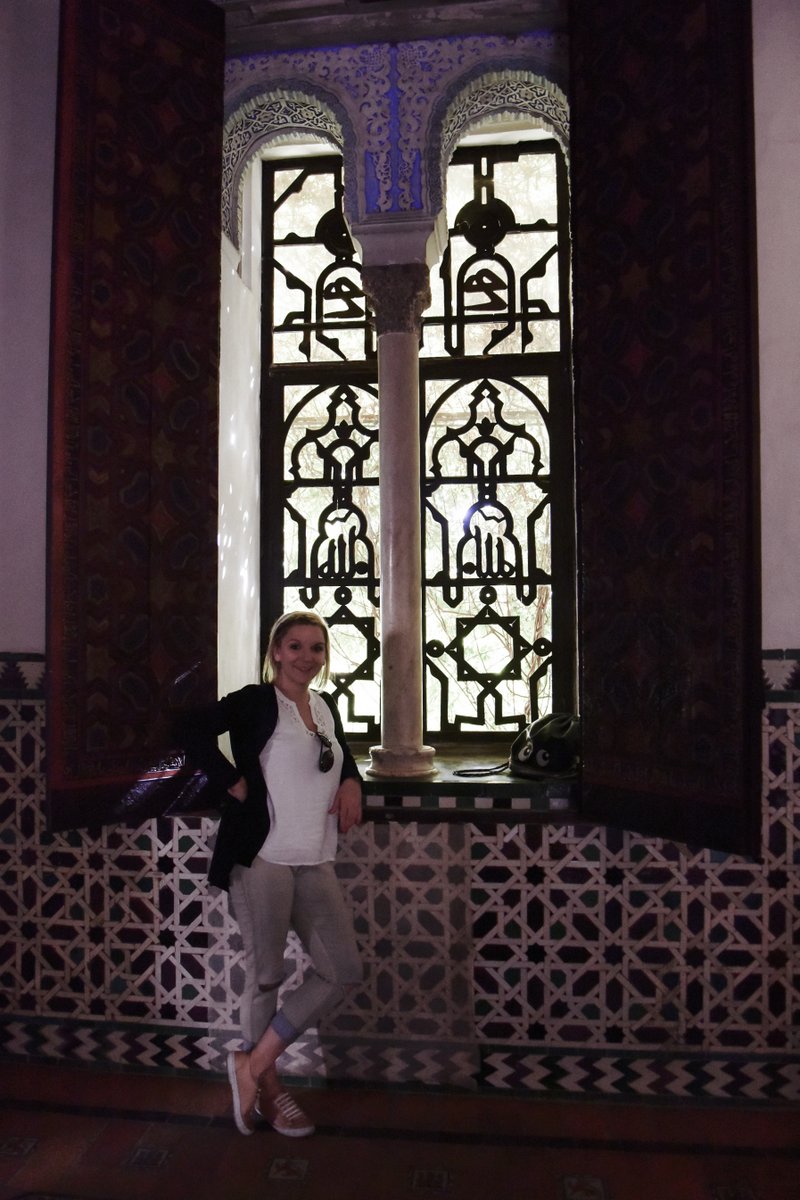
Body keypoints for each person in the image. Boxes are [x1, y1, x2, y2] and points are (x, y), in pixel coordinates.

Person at [176, 610, 364, 1137]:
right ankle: (272, 1091)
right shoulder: (256, 701)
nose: (307, 657)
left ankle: (252, 1065)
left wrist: (353, 781)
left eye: (316, 648)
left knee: (342, 970)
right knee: (267, 977)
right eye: (295, 646)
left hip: (314, 856)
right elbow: (189, 729)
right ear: (276, 651)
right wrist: (229, 779)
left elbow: (340, 758)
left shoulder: (324, 706)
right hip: (263, 858)